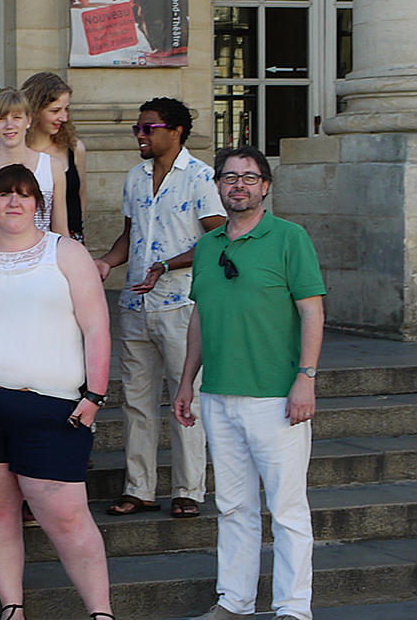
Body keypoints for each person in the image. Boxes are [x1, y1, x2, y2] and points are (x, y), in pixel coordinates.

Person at [0, 164, 113, 620]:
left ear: (39, 203)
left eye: (24, 194)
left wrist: (94, 396)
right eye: (3, 194)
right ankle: (12, 607)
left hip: (50, 407)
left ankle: (101, 612)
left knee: (68, 517)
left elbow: (96, 327)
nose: (14, 202)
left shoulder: (67, 253)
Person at [175, 146, 325, 620]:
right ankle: (234, 602)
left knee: (286, 510)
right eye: (229, 177)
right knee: (234, 507)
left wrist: (306, 378)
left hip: (275, 396)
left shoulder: (289, 238)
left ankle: (293, 609)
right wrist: (187, 384)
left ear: (265, 186)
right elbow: (200, 315)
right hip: (219, 394)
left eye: (249, 177)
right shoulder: (208, 245)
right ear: (217, 186)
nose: (238, 185)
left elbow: (312, 310)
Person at [94, 97, 223, 519]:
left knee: (187, 401)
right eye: (137, 128)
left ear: (176, 131)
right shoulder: (135, 176)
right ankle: (139, 488)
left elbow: (217, 239)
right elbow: (129, 236)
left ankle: (189, 489)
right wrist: (105, 263)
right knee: (136, 401)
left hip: (183, 307)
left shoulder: (201, 178)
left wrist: (167, 264)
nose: (140, 135)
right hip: (135, 303)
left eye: (148, 128)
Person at [0, 89, 69, 243]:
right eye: (1, 119)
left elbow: (60, 232)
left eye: (17, 117)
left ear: (28, 120)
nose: (9, 125)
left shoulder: (52, 167)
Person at [22, 72, 88, 242]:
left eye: (66, 109)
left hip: (68, 240)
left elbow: (80, 196)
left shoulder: (74, 149)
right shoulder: (16, 150)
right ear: (34, 111)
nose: (64, 118)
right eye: (55, 111)